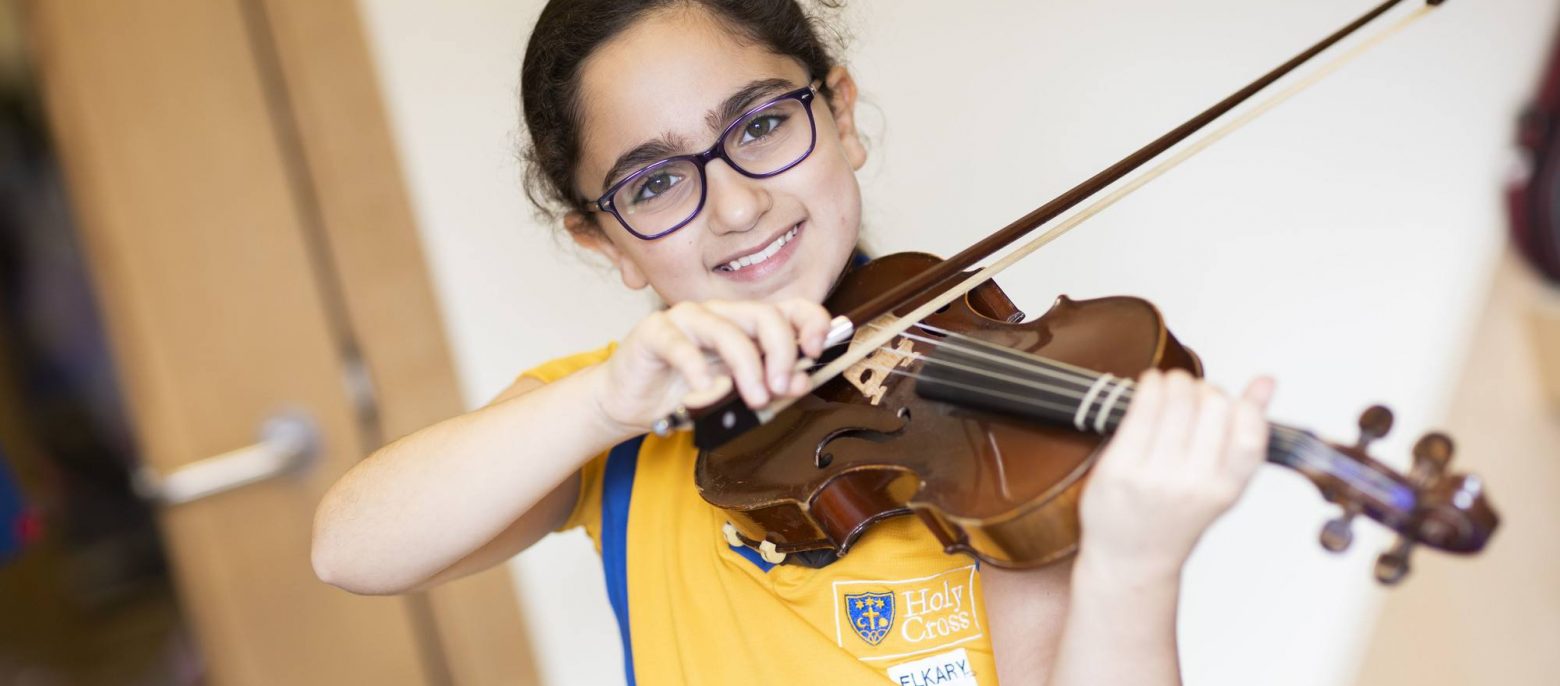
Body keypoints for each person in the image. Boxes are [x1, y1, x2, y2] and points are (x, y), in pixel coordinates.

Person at [311, 1, 1275, 683]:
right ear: (604, 242)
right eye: (654, 186)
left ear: (842, 115)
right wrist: (605, 401)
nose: (736, 205)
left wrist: (1132, 570)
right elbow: (352, 549)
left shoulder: (997, 456)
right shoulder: (606, 430)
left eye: (764, 125)